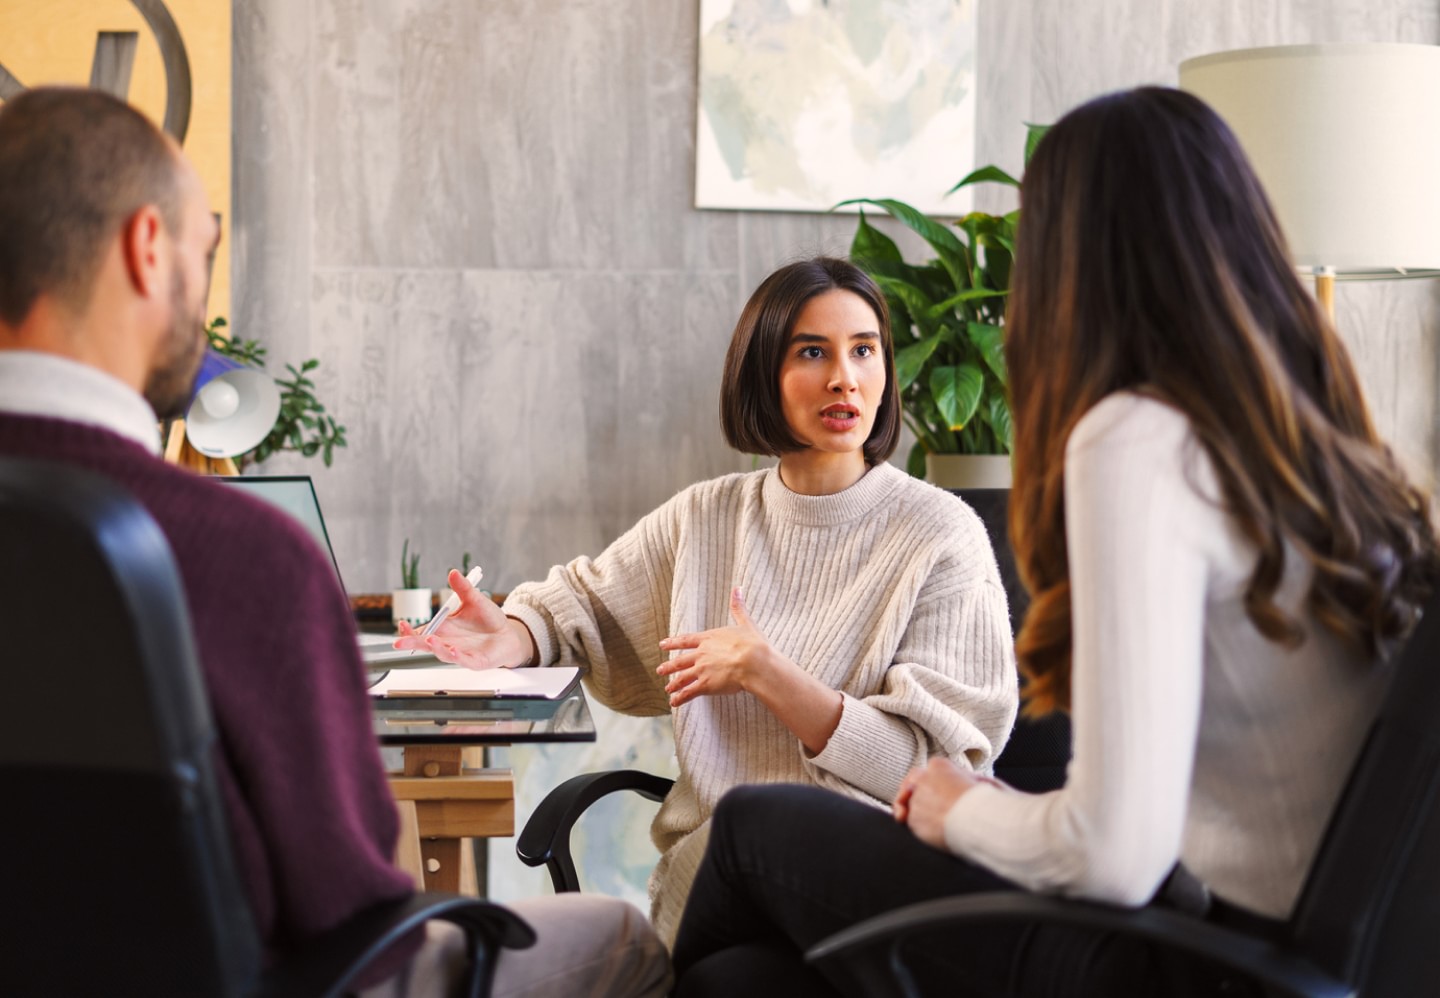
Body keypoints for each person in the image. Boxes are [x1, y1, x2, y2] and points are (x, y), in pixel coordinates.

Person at [667, 86, 1440, 996]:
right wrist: (1009, 815)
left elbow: (1113, 856)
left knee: (755, 829)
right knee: (748, 979)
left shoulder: (1141, 442)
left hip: (1190, 967)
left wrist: (960, 813)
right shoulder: (1325, 440)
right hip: (1269, 951)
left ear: (1072, 254)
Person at [0, 86, 669, 998]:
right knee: (621, 938)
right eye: (205, 250)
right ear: (147, 249)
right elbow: (347, 902)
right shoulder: (242, 557)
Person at [396, 255, 1019, 945]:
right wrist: (514, 634)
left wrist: (769, 674)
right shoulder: (707, 518)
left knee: (749, 844)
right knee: (735, 971)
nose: (845, 377)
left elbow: (933, 772)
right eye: (813, 352)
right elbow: (581, 604)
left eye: (864, 350)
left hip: (866, 890)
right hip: (725, 892)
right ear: (763, 374)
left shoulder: (940, 536)